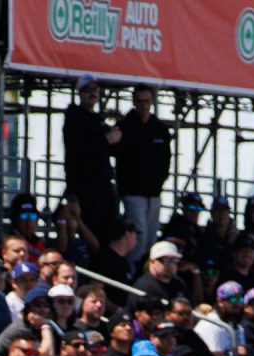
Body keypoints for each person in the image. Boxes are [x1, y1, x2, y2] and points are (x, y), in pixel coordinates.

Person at [114, 87, 172, 251]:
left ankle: (146, 266)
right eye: (140, 101)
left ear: (152, 101)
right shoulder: (125, 126)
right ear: (134, 102)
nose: (144, 106)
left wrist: (161, 179)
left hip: (154, 193)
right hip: (133, 192)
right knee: (139, 236)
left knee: (151, 239)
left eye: (147, 101)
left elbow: (167, 158)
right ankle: (133, 266)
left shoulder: (159, 128)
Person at [61, 78, 118, 235]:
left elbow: (114, 147)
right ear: (80, 93)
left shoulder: (97, 121)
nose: (92, 94)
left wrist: (116, 137)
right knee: (89, 228)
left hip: (103, 183)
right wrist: (106, 140)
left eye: (95, 90)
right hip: (85, 184)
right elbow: (80, 150)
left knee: (107, 228)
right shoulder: (74, 118)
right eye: (87, 90)